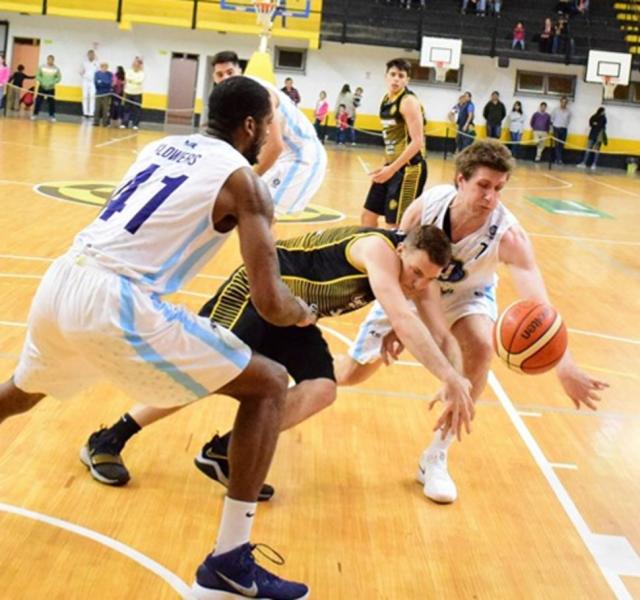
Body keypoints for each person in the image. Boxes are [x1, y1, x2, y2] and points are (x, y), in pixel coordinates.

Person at [0, 76, 317, 600]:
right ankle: (229, 562)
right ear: (250, 125)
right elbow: (270, 302)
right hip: (116, 301)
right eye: (266, 125)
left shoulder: (162, 146)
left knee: (21, 390)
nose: (267, 136)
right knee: (268, 384)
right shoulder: (245, 184)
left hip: (63, 278)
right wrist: (303, 312)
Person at [81, 224, 474, 495]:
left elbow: (441, 333)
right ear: (402, 249)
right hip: (260, 291)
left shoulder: (416, 273)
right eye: (416, 272)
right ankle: (110, 437)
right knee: (202, 373)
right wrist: (446, 375)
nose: (418, 284)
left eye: (428, 279)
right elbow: (404, 318)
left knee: (322, 388)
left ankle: (227, 452)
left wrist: (457, 378)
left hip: (295, 316)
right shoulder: (378, 250)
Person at [337, 140, 608, 504]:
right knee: (351, 374)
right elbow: (400, 260)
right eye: (483, 185)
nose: (491, 197)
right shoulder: (427, 206)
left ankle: (436, 455)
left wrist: (565, 366)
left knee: (481, 346)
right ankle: (305, 373)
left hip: (469, 297)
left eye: (499, 188)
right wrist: (402, 321)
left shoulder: (508, 235)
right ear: (460, 180)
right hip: (416, 287)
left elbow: (539, 307)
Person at [211, 51, 326, 215]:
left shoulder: (260, 94)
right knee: (244, 209)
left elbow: (275, 146)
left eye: (230, 72)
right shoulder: (231, 100)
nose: (225, 79)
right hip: (280, 156)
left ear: (240, 71)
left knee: (260, 212)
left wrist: (248, 179)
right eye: (220, 74)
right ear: (214, 77)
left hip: (301, 156)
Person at [361, 58, 427, 229]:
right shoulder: (386, 100)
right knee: (368, 216)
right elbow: (391, 137)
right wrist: (385, 166)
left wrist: (391, 169)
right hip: (391, 166)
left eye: (401, 76)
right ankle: (370, 245)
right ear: (386, 77)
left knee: (395, 225)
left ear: (407, 80)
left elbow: (418, 142)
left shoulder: (408, 101)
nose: (396, 79)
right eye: (393, 74)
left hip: (410, 169)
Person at [31, 55, 61, 122]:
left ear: (53, 60)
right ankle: (35, 114)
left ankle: (52, 116)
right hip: (42, 87)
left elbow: (59, 78)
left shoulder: (56, 69)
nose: (50, 61)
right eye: (49, 59)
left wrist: (53, 82)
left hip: (51, 88)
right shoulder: (42, 67)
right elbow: (37, 75)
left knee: (51, 103)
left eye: (51, 60)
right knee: (38, 101)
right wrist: (41, 81)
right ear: (47, 60)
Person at [121, 57, 144, 130]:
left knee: (137, 110)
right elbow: (127, 78)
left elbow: (139, 81)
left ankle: (135, 124)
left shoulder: (142, 73)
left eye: (137, 65)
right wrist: (133, 80)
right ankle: (124, 123)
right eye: (134, 64)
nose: (135, 66)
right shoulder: (128, 71)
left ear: (139, 66)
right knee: (126, 109)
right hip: (128, 92)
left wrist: (131, 80)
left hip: (137, 93)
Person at [550, 96, 571, 164]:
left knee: (562, 145)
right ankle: (559, 159)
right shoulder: (555, 110)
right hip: (556, 128)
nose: (564, 103)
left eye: (565, 102)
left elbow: (568, 121)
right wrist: (552, 128)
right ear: (560, 102)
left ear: (567, 103)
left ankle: (558, 159)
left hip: (564, 129)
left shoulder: (569, 111)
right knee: (557, 144)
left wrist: (564, 126)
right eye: (562, 102)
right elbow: (552, 119)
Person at [80, 49, 99, 119]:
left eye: (92, 55)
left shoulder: (97, 63)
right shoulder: (84, 63)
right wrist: (85, 76)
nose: (91, 56)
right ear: (88, 55)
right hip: (85, 81)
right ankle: (85, 112)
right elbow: (80, 71)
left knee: (92, 96)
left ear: (94, 55)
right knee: (85, 96)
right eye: (90, 55)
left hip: (93, 82)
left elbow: (98, 72)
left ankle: (91, 113)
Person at [93, 62, 113, 127]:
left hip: (106, 93)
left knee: (105, 109)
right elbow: (96, 82)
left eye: (106, 67)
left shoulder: (110, 74)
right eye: (103, 67)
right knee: (97, 108)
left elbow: (109, 83)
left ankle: (105, 122)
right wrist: (103, 83)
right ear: (101, 67)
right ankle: (96, 122)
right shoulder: (97, 74)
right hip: (98, 93)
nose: (104, 68)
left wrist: (102, 82)